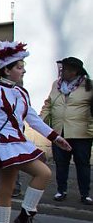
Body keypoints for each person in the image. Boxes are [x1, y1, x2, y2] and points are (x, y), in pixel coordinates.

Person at [0, 41, 72, 223]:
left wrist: (55, 138)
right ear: (6, 69)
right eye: (19, 66)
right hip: (4, 146)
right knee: (19, 184)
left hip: (18, 143)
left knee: (24, 182)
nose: (23, 69)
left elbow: (33, 119)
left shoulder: (21, 93)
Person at [40, 56, 93, 205]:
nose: (62, 72)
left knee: (82, 163)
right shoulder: (56, 85)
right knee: (61, 163)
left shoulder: (88, 86)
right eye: (62, 68)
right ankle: (61, 191)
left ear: (75, 72)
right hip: (59, 131)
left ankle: (85, 194)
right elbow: (48, 104)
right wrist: (40, 120)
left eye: (66, 69)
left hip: (81, 133)